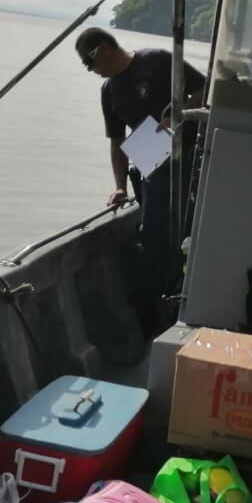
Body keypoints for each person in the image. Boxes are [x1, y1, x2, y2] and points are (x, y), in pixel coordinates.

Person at [76, 28, 206, 331]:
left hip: (189, 155)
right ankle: (154, 314)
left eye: (88, 62)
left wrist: (179, 112)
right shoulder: (109, 92)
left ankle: (189, 298)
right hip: (152, 164)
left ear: (104, 49)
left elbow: (203, 88)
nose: (89, 69)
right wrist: (120, 186)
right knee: (153, 236)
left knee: (188, 230)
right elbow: (116, 142)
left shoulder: (157, 61)